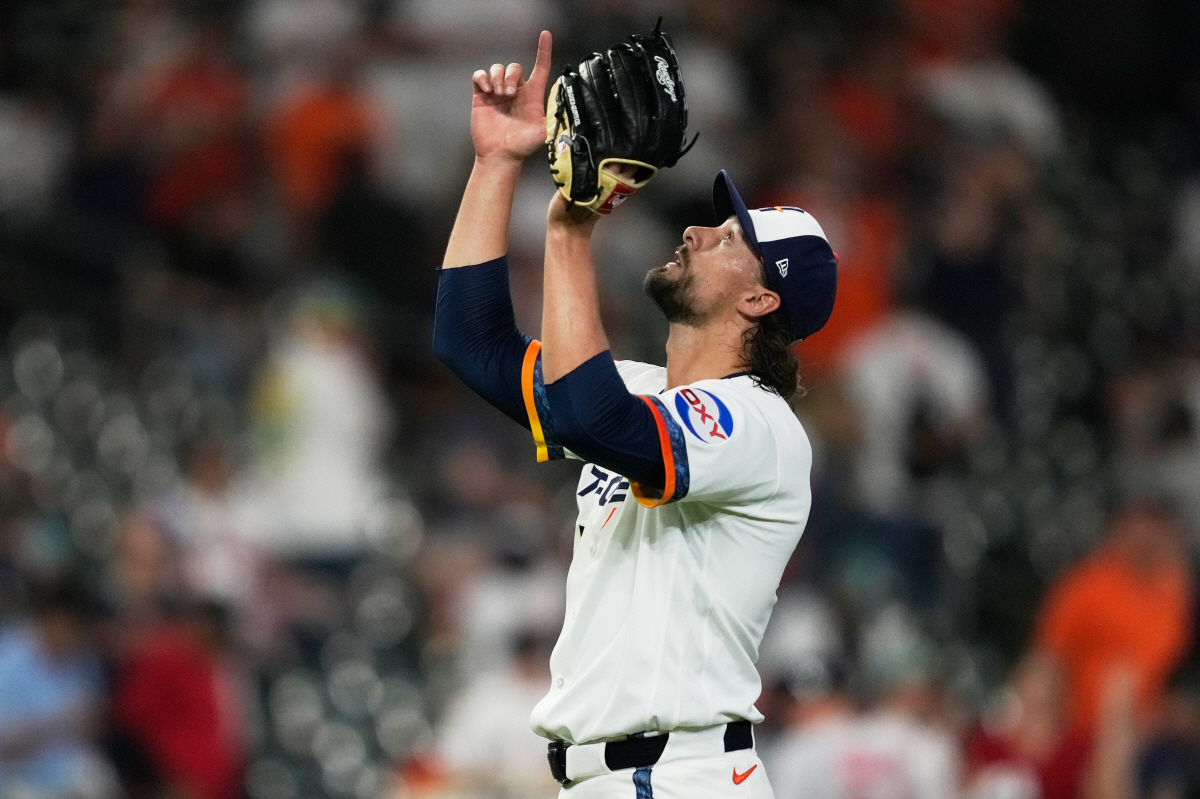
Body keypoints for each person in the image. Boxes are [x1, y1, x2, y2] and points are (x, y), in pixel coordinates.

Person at [433, 30, 838, 797]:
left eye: (728, 240)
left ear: (759, 299)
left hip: (683, 775)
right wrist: (494, 166)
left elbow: (596, 423)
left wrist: (570, 228)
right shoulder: (638, 389)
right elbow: (470, 343)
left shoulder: (761, 427)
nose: (695, 230)